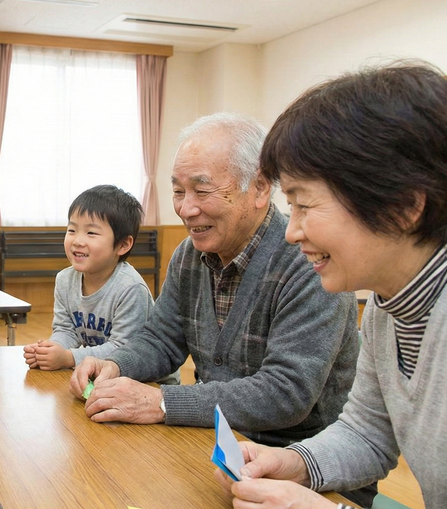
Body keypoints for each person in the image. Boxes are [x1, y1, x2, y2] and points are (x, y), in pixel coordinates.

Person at [215, 64, 447, 508]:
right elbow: (366, 433)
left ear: (404, 205)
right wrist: (292, 462)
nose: (292, 232)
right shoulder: (390, 306)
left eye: (305, 204)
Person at [69, 113, 361, 449]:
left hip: (300, 463)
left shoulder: (308, 264)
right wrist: (114, 365)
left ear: (260, 188)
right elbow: (161, 340)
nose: (186, 209)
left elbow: (285, 393)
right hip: (215, 442)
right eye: (178, 191)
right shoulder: (188, 256)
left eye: (201, 190)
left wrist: (162, 402)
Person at [23, 185, 174, 381]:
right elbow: (65, 329)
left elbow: (123, 350)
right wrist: (51, 350)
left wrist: (68, 358)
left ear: (122, 245)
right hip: (102, 375)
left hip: (147, 382)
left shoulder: (130, 288)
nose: (77, 240)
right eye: (71, 230)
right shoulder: (64, 280)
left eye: (91, 233)